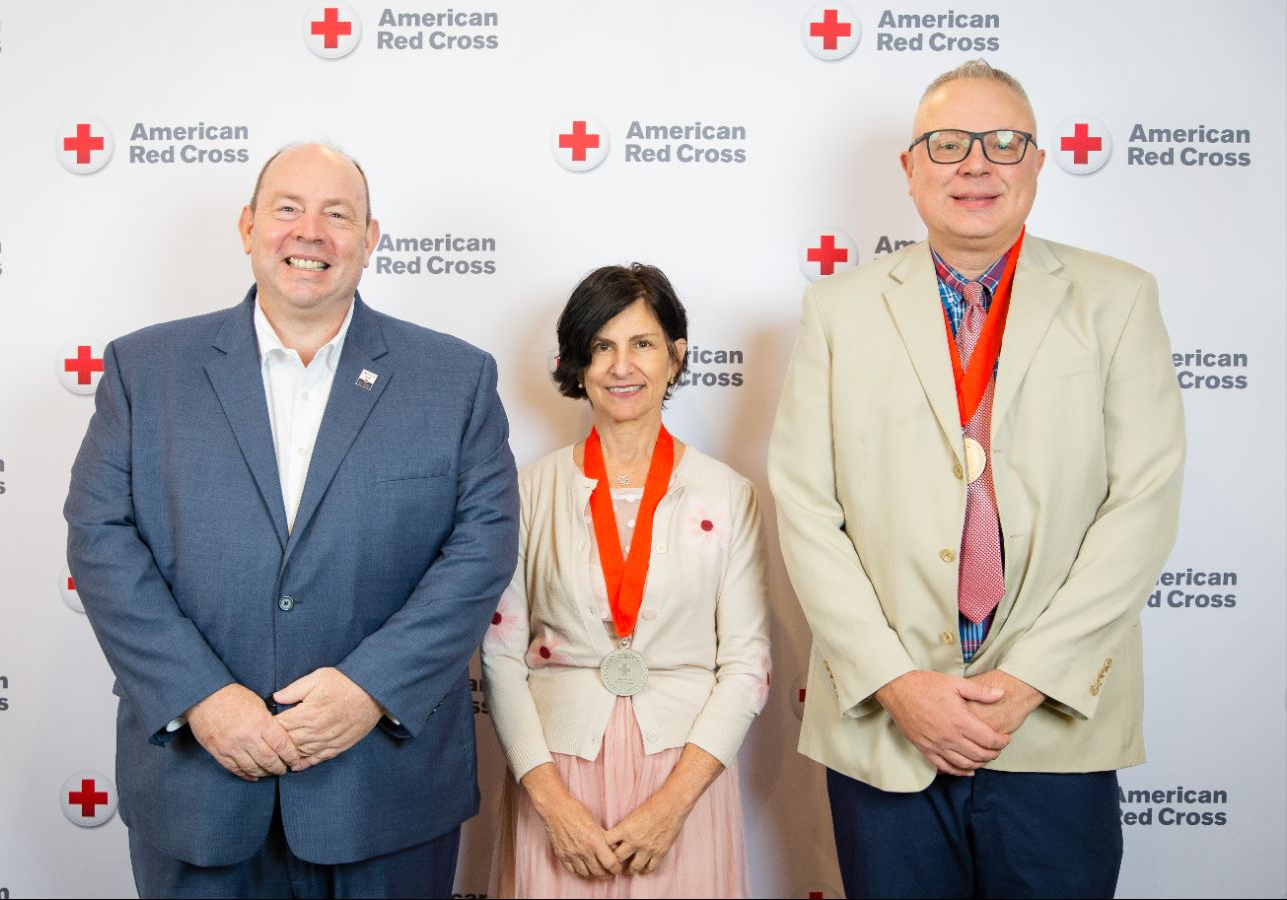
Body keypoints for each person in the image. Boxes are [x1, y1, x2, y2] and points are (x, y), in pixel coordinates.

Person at [769, 61, 1185, 899]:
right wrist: (895, 681)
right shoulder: (838, 311)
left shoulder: (1118, 301)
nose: (976, 164)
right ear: (912, 168)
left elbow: (1143, 503)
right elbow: (805, 506)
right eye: (949, 143)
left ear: (1037, 163)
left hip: (1054, 726)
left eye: (1005, 143)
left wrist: (1030, 680)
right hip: (888, 732)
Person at [64, 142, 519, 899]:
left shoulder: (456, 378)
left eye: (337, 215)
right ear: (247, 227)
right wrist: (201, 696)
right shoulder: (145, 371)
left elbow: (482, 548)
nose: (310, 232)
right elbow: (100, 537)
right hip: (200, 789)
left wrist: (369, 689)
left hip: (384, 790)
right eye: (287, 209)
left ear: (370, 240)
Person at [481, 264, 770, 898]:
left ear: (676, 355)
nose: (621, 366)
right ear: (576, 363)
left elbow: (747, 666)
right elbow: (500, 661)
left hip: (685, 777)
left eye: (641, 343)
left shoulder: (728, 495)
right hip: (557, 773)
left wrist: (671, 808)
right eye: (601, 346)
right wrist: (552, 806)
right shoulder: (528, 492)